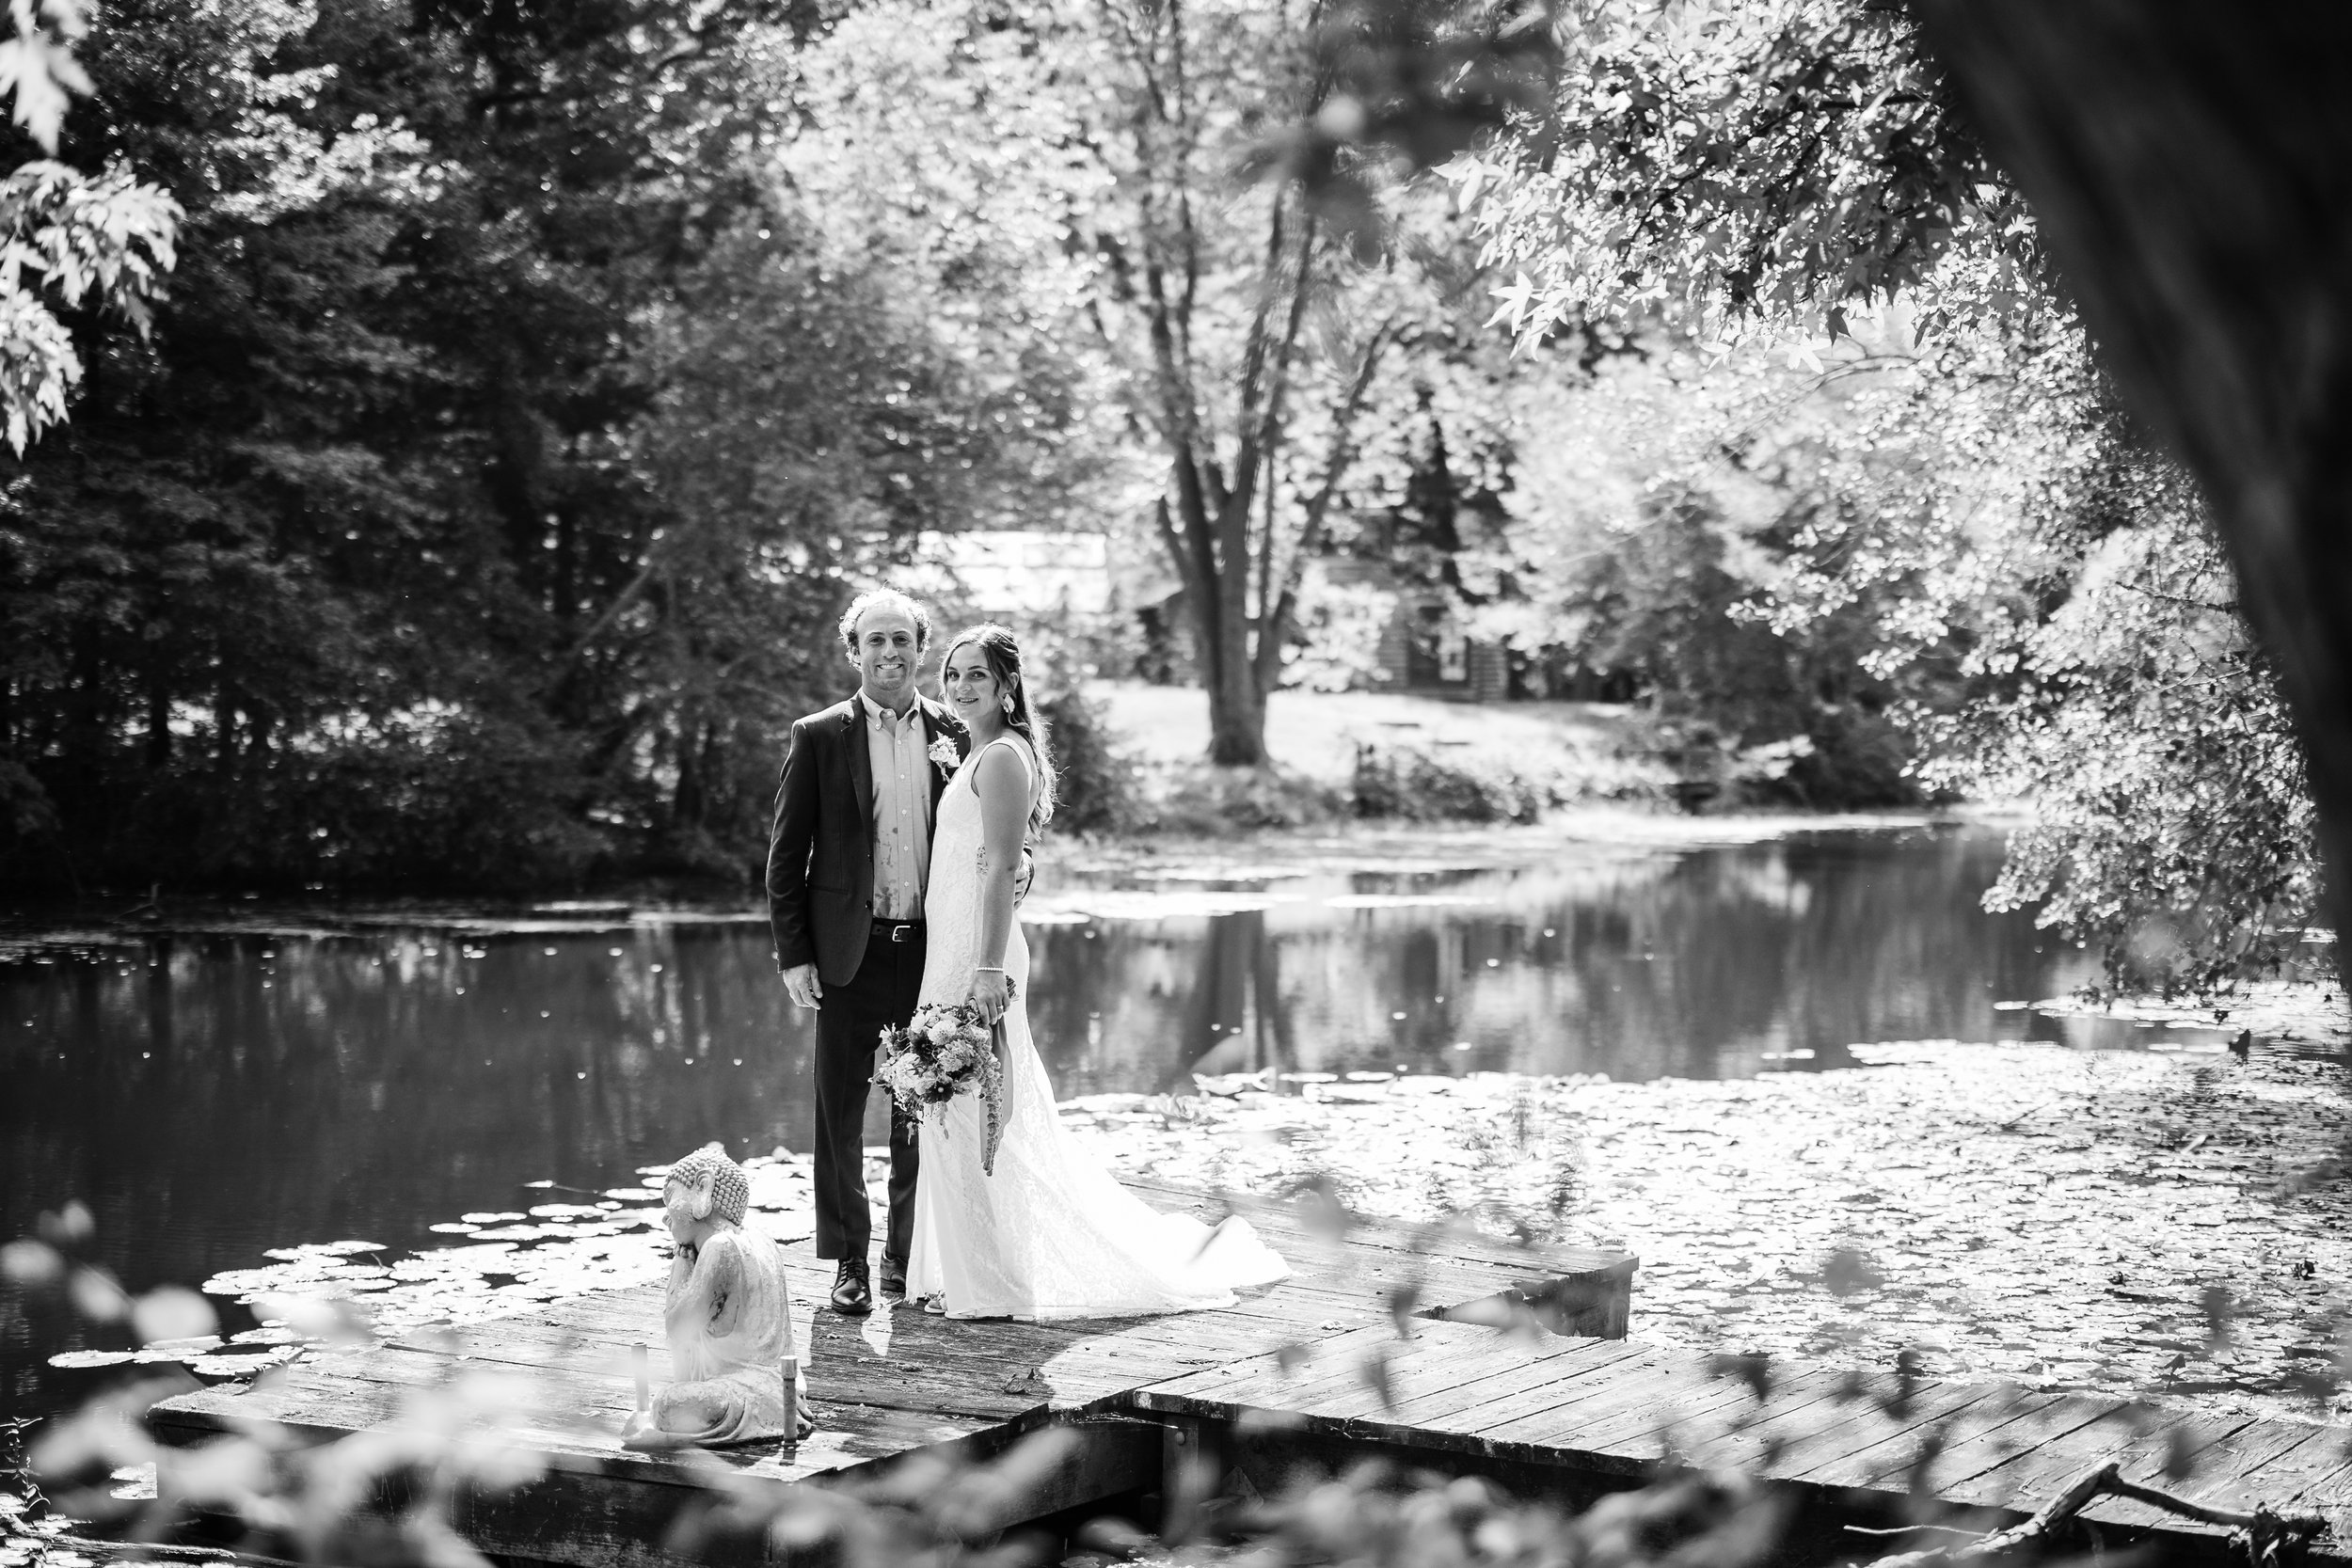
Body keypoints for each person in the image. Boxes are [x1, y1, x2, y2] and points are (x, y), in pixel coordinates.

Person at [905, 624, 1290, 1319]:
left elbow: (1001, 866)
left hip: (977, 955)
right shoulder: (983, 752)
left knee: (978, 1108)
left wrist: (987, 967)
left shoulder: (1002, 757)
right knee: (956, 1108)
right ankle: (965, 1273)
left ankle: (991, 1284)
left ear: (1007, 684)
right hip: (952, 948)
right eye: (952, 674)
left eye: (976, 675)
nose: (959, 686)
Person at [766, 590, 964, 1315]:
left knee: (919, 1111)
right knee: (840, 1114)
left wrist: (1021, 867)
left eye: (901, 639)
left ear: (920, 648)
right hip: (848, 954)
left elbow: (991, 832)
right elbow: (786, 857)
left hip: (929, 955)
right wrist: (795, 955)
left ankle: (902, 1257)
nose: (889, 652)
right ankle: (850, 1259)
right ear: (854, 652)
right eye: (875, 640)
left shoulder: (955, 733)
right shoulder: (819, 736)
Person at [621, 1142, 813, 1449]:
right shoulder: (762, 1239)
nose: (665, 1217)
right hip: (784, 1390)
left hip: (745, 1396)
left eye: (670, 1197)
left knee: (667, 1404)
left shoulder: (720, 1247)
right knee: (676, 1399)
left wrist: (681, 1265)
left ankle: (666, 1432)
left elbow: (678, 1329)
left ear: (702, 1189)